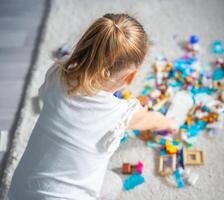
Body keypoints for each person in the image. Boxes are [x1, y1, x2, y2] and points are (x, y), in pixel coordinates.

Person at [8, 13, 179, 200]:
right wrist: (171, 123)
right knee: (113, 183)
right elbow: (154, 121)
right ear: (131, 77)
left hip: (19, 192)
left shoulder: (57, 73)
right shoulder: (121, 113)